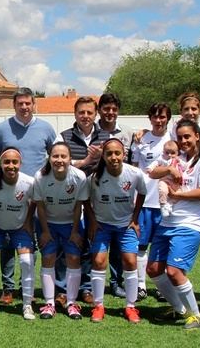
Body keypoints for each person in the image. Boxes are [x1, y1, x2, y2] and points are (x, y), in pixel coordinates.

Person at [0, 87, 56, 304]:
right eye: (20, 104)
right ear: (14, 105)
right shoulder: (2, 128)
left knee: (31, 241)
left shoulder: (45, 128)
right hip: (8, 192)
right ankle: (8, 288)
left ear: (33, 103)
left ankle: (29, 287)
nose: (24, 107)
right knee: (7, 242)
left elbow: (56, 156)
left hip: (35, 194)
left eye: (28, 103)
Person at [147, 119, 200, 330]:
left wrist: (178, 194)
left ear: (197, 136)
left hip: (189, 223)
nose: (184, 140)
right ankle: (179, 309)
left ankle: (196, 315)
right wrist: (169, 169)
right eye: (180, 137)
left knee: (174, 271)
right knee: (154, 268)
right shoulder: (175, 159)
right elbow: (152, 172)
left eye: (187, 136)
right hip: (167, 222)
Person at [88, 138, 146, 323]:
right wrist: (92, 221)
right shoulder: (94, 177)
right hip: (102, 225)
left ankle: (130, 306)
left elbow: (142, 193)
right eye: (109, 153)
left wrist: (135, 218)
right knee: (98, 261)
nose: (114, 157)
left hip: (125, 225)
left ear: (124, 154)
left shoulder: (135, 174)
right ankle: (98, 306)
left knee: (130, 260)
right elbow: (84, 199)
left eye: (117, 153)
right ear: (103, 156)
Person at [169, 91, 200, 305]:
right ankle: (175, 293)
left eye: (194, 109)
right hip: (179, 204)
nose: (190, 112)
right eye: (186, 109)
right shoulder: (174, 132)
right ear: (181, 112)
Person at [0, 147, 36, 321]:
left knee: (27, 261)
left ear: (20, 163)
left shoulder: (29, 182)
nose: (11, 166)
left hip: (19, 228)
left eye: (14, 162)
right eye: (7, 162)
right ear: (0, 163)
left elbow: (35, 201)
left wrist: (27, 222)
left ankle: (27, 304)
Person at [34, 142, 88, 320]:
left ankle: (71, 303)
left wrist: (74, 232)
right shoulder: (41, 177)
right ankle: (49, 303)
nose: (59, 160)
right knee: (48, 258)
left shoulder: (79, 176)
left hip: (71, 224)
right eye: (55, 156)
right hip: (48, 224)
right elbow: (40, 207)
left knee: (73, 258)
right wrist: (45, 232)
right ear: (49, 158)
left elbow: (78, 207)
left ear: (70, 158)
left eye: (63, 156)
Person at [55, 96, 99, 304]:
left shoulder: (105, 136)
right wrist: (86, 161)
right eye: (81, 112)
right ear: (75, 114)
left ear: (95, 114)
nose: (85, 116)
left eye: (89, 112)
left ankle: (86, 287)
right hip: (72, 198)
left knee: (89, 244)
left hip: (99, 199)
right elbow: (60, 162)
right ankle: (61, 289)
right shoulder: (64, 137)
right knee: (67, 245)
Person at [130, 103, 172, 302]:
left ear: (168, 118)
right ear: (150, 118)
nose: (159, 120)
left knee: (162, 246)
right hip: (145, 201)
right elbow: (135, 168)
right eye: (155, 116)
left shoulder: (174, 139)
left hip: (167, 202)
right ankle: (140, 286)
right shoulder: (141, 139)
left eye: (162, 116)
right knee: (140, 246)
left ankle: (163, 286)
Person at [154, 140, 183, 218]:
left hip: (175, 183)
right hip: (165, 181)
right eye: (167, 153)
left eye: (173, 153)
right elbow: (154, 167)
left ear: (178, 153)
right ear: (163, 152)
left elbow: (184, 167)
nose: (170, 155)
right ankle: (163, 205)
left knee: (179, 194)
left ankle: (169, 205)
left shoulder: (179, 160)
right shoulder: (163, 160)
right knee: (163, 191)